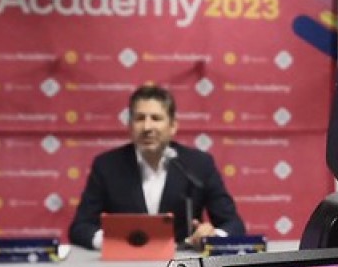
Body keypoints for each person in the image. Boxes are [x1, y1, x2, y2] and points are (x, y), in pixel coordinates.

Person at [68, 85, 244, 249]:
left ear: (173, 126)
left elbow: (233, 225)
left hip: (182, 264)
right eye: (139, 118)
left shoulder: (198, 164)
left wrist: (213, 236)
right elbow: (80, 227)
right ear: (129, 125)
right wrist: (111, 240)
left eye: (156, 118)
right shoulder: (107, 166)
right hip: (124, 264)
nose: (147, 127)